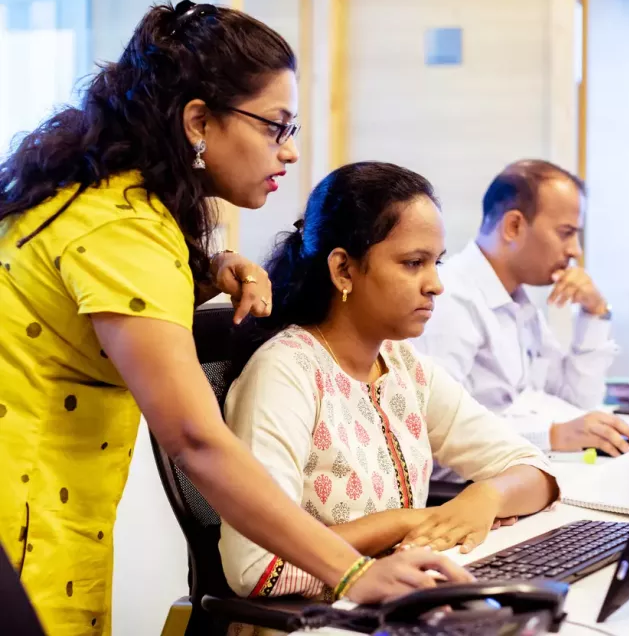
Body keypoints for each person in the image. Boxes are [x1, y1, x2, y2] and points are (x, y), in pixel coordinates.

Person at [0, 2, 459, 634]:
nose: (291, 151)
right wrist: (352, 572)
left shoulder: (112, 204)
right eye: (276, 126)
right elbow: (194, 438)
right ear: (197, 121)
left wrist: (204, 264)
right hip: (22, 528)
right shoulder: (121, 229)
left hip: (56, 514)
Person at [218, 161, 559, 598]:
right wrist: (403, 522)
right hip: (313, 624)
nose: (436, 284)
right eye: (413, 263)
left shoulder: (402, 366)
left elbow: (534, 470)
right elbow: (257, 566)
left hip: (400, 602)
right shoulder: (285, 373)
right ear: (343, 270)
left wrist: (487, 498)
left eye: (436, 262)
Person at [413, 159, 629, 458]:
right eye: (566, 232)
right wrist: (552, 436)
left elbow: (578, 400)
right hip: (477, 486)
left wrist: (595, 313)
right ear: (514, 226)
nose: (575, 251)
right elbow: (437, 434)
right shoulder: (450, 299)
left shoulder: (517, 299)